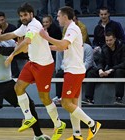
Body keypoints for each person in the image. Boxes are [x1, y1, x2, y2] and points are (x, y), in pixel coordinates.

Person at [0, 3, 66, 140]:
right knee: (18, 87)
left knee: (44, 98)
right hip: (33, 63)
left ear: (31, 14)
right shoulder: (25, 25)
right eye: (21, 16)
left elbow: (27, 41)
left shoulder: (34, 25)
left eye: (25, 15)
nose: (23, 17)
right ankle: (28, 117)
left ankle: (58, 124)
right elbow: (11, 34)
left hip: (44, 66)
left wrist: (12, 55)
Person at [0, 20, 50, 140]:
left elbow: (23, 53)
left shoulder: (10, 41)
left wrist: (24, 46)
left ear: (1, 30)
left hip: (7, 82)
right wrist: (19, 47)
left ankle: (38, 135)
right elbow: (4, 51)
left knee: (29, 104)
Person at [40, 6, 101, 140]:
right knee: (73, 104)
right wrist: (44, 46)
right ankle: (77, 134)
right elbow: (63, 46)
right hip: (74, 71)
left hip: (74, 71)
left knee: (66, 103)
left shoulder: (72, 28)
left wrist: (46, 37)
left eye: (58, 15)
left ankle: (93, 124)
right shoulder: (69, 29)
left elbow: (62, 45)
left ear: (65, 16)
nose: (56, 18)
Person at [84, 31, 125, 105]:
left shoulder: (122, 47)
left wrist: (112, 69)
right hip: (108, 70)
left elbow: (123, 63)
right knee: (91, 72)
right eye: (107, 40)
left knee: (119, 71)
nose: (108, 42)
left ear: (115, 39)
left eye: (110, 40)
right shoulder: (104, 48)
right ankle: (89, 99)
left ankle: (119, 98)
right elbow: (101, 61)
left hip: (119, 70)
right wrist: (100, 70)